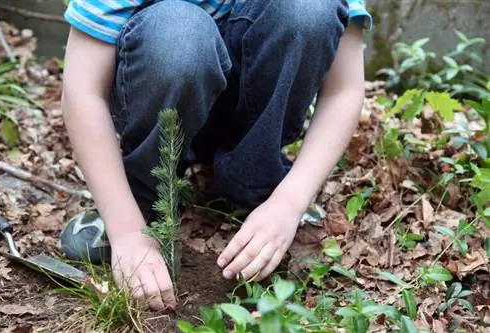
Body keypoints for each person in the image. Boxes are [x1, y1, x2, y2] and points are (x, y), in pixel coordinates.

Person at [59, 0, 372, 311]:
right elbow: (82, 91)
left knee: (307, 8)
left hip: (255, 107)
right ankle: (142, 197)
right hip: (163, 89)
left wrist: (290, 202)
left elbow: (343, 89)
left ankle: (258, 187)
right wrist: (126, 231)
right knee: (179, 32)